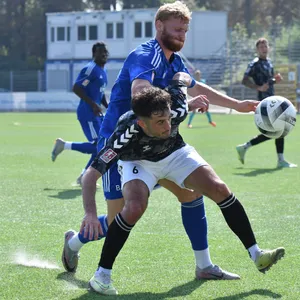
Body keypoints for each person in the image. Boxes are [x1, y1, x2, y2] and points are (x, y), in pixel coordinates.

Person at [62, 1, 244, 282]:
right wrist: (179, 102)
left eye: (185, 30)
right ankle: (74, 242)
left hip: (155, 146)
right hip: (121, 147)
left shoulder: (175, 60)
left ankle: (204, 265)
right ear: (159, 26)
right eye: (177, 29)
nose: (182, 35)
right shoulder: (145, 55)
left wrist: (237, 104)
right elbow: (141, 92)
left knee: (192, 193)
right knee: (116, 220)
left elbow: (194, 86)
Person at [80, 73, 284, 295]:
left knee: (219, 189)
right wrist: (90, 213)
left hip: (175, 153)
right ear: (141, 122)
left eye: (168, 118)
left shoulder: (174, 108)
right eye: (159, 122)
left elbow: (181, 77)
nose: (167, 125)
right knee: (134, 208)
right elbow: (91, 175)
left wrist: (186, 89)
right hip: (138, 162)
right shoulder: (125, 133)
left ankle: (257, 255)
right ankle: (101, 275)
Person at [51, 42, 109, 184]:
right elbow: (77, 88)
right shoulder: (90, 69)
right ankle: (64, 146)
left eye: (105, 51)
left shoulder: (102, 71)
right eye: (100, 51)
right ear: (94, 54)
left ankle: (84, 176)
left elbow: (99, 93)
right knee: (98, 147)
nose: (103, 54)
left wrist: (108, 107)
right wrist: (93, 105)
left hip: (96, 114)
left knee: (101, 147)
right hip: (88, 114)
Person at [236, 37, 297, 168]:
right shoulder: (255, 63)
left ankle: (245, 147)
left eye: (266, 46)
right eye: (261, 47)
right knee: (279, 128)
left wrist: (275, 80)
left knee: (278, 128)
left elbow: (267, 82)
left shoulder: (269, 62)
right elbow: (244, 80)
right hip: (263, 102)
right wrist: (258, 88)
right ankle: (279, 160)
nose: (264, 49)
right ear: (257, 50)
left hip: (272, 100)